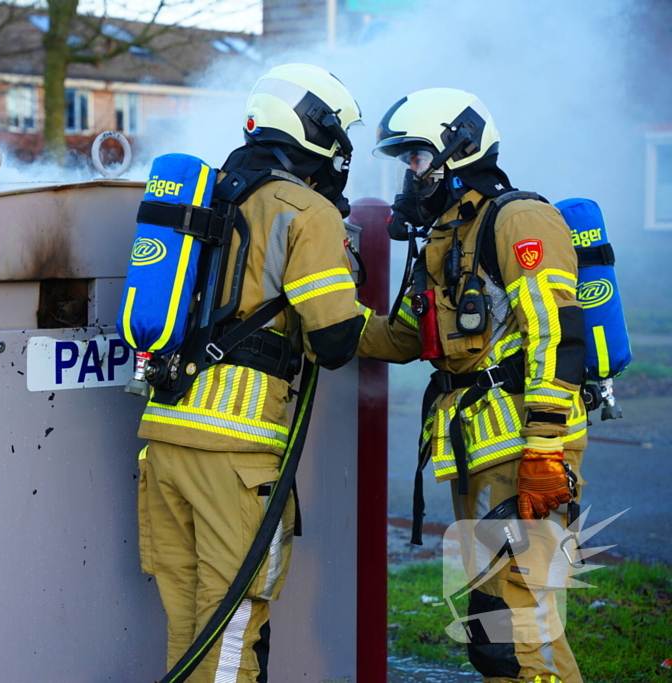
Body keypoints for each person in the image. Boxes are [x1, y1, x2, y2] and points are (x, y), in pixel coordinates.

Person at [136, 63, 370, 683]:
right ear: (316, 133)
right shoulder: (305, 211)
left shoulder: (209, 191)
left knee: (189, 629)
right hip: (234, 452)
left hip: (163, 435)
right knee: (233, 628)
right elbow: (336, 339)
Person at [359, 88, 587, 683]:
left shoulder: (518, 220)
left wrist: (544, 449)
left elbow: (555, 337)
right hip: (478, 450)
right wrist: (327, 315)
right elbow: (404, 338)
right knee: (503, 626)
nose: (410, 174)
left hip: (525, 449)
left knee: (513, 631)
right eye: (405, 161)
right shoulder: (446, 237)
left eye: (417, 157)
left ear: (457, 150)